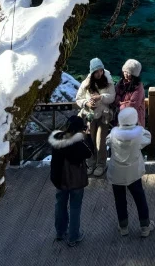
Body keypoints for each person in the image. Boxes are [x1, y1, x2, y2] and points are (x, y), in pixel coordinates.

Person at [107, 107, 154, 237]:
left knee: (120, 199)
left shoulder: (114, 133)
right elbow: (148, 138)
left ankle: (123, 227)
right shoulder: (139, 135)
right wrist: (139, 127)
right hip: (133, 172)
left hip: (117, 171)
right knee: (139, 198)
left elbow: (108, 141)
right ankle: (145, 226)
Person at [49, 114, 93, 247]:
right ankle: (74, 236)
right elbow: (90, 152)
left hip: (59, 178)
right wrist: (89, 136)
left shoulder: (57, 139)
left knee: (60, 204)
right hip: (76, 179)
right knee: (75, 206)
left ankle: (60, 232)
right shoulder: (78, 143)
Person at [75, 57, 116, 176]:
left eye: (101, 71)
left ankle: (101, 165)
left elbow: (112, 97)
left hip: (104, 115)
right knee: (89, 140)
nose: (99, 73)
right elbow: (78, 98)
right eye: (96, 71)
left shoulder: (108, 79)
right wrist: (86, 103)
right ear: (92, 72)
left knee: (100, 141)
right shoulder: (87, 82)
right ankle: (91, 163)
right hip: (90, 115)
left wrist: (101, 97)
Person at [114, 59, 146, 126]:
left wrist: (120, 105)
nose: (126, 74)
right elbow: (115, 95)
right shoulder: (120, 83)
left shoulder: (138, 86)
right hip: (121, 117)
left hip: (135, 118)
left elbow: (133, 104)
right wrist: (119, 102)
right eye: (125, 71)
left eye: (129, 72)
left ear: (134, 75)